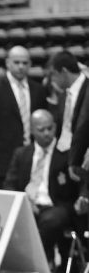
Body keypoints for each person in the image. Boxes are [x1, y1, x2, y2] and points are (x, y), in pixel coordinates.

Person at [4, 109, 79, 273]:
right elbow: (9, 184)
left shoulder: (66, 154)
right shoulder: (22, 154)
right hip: (28, 204)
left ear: (55, 127)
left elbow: (74, 189)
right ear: (32, 130)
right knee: (16, 218)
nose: (46, 133)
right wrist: (25, 202)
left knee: (50, 220)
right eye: (41, 129)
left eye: (50, 128)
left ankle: (37, 267)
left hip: (56, 206)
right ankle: (15, 268)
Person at [0, 45, 47, 188]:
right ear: (8, 63)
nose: (21, 67)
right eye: (16, 62)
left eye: (24, 63)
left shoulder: (38, 90)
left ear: (30, 64)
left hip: (32, 157)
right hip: (4, 158)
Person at [46, 52, 89, 184]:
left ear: (64, 71)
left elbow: (83, 126)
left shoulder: (87, 88)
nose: (52, 79)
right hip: (64, 155)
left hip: (83, 158)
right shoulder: (63, 95)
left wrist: (75, 159)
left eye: (54, 74)